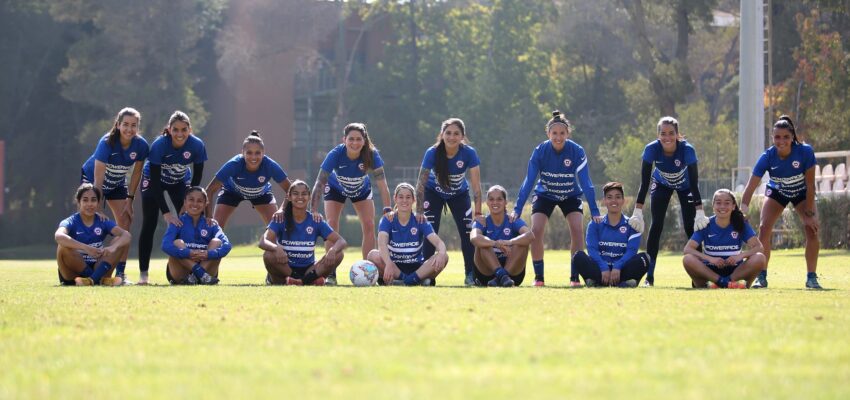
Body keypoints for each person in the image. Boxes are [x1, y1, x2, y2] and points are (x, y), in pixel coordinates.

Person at [511, 110, 601, 287]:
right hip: (545, 194)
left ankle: (574, 276)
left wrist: (595, 210)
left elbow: (586, 183)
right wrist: (517, 208)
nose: (558, 137)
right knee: (536, 230)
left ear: (568, 133)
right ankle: (539, 277)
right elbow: (529, 181)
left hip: (570, 194)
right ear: (548, 134)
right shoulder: (540, 151)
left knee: (577, 230)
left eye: (562, 133)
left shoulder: (577, 151)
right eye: (554, 133)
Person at [740, 115, 821, 289]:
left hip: (802, 193)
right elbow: (750, 186)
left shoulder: (805, 152)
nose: (781, 141)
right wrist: (743, 211)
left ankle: (812, 277)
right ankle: (761, 276)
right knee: (764, 227)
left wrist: (809, 214)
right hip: (778, 192)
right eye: (777, 137)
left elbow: (810, 185)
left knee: (811, 230)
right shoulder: (767, 156)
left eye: (785, 137)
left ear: (792, 137)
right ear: (772, 138)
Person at [628, 116, 708, 287]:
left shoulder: (687, 150)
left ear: (678, 135)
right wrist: (638, 211)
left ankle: (699, 277)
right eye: (663, 133)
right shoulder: (651, 149)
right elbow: (644, 182)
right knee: (656, 225)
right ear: (658, 135)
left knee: (690, 227)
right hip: (661, 183)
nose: (667, 137)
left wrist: (700, 211)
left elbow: (694, 183)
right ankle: (649, 277)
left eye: (671, 133)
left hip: (685, 186)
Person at [310, 123, 391, 285]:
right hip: (335, 189)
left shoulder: (371, 155)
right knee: (331, 225)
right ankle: (330, 273)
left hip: (361, 190)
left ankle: (369, 271)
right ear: (344, 140)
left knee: (369, 224)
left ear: (364, 140)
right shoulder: (335, 154)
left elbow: (383, 185)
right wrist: (312, 210)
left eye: (358, 139)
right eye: (351, 139)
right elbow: (319, 183)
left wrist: (388, 209)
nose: (355, 143)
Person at [138, 111, 207, 285]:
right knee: (149, 223)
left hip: (179, 181)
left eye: (184, 129)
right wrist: (166, 212)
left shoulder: (197, 145)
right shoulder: (159, 145)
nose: (180, 134)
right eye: (175, 129)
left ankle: (183, 270)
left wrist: (188, 201)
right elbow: (154, 182)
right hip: (154, 181)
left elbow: (196, 179)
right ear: (169, 130)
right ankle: (144, 274)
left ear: (189, 130)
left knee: (187, 222)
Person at [80, 107, 149, 282]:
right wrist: (96, 206)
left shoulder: (141, 145)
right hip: (93, 182)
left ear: (137, 128)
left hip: (117, 183)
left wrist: (130, 200)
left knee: (126, 221)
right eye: (125, 124)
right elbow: (99, 177)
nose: (129, 129)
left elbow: (136, 174)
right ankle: (85, 269)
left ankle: (120, 274)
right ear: (118, 125)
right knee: (90, 221)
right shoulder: (106, 143)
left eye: (134, 125)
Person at [413, 118, 482, 286]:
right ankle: (427, 275)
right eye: (448, 133)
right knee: (430, 232)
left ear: (462, 137)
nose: (452, 137)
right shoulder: (432, 152)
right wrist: (419, 210)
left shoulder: (469, 153)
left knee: (468, 234)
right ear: (442, 135)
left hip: (459, 194)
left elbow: (476, 186)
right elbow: (420, 184)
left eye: (456, 133)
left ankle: (470, 275)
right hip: (433, 193)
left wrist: (478, 213)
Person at [260, 180, 347, 285]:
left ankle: (302, 280)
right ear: (289, 197)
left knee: (338, 254)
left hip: (309, 269)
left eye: (304, 194)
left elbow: (341, 241)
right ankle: (300, 280)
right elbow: (263, 241)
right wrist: (276, 248)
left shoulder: (315, 220)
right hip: (285, 267)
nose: (300, 197)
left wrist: (333, 250)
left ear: (309, 197)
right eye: (295, 194)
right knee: (268, 255)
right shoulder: (280, 218)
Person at [367, 183, 449, 286]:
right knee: (372, 255)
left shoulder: (420, 219)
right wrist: (388, 263)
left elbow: (438, 242)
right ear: (395, 199)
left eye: (408, 197)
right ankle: (413, 280)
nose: (404, 200)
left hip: (417, 268)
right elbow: (382, 244)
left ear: (414, 200)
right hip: (394, 266)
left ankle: (408, 281)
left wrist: (441, 253)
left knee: (444, 257)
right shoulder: (387, 219)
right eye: (401, 197)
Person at [205, 130, 291, 228]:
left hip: (261, 194)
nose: (253, 157)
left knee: (277, 227)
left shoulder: (270, 165)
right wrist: (209, 216)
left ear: (263, 153)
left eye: (257, 153)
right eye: (249, 153)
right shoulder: (234, 164)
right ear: (242, 153)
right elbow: (209, 190)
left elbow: (290, 189)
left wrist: (282, 209)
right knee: (214, 228)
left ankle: (269, 242)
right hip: (232, 192)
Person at [682, 189, 766, 288]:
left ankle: (731, 281)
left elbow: (759, 247)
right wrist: (711, 259)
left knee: (760, 257)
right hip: (711, 269)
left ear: (733, 206)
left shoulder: (741, 223)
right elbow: (687, 249)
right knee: (687, 259)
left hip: (736, 269)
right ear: (713, 206)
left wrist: (740, 256)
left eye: (727, 203)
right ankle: (720, 282)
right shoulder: (705, 224)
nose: (722, 206)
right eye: (718, 203)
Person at [572, 182, 650, 287]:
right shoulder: (595, 224)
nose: (614, 201)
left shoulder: (632, 224)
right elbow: (592, 250)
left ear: (623, 200)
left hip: (621, 270)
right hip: (600, 270)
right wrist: (604, 267)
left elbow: (631, 251)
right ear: (604, 201)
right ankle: (596, 281)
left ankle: (625, 282)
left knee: (645, 258)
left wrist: (617, 266)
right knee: (578, 256)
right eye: (609, 197)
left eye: (618, 197)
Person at [54, 184, 132, 286]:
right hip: (74, 274)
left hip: (98, 266)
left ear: (98, 202)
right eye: (85, 200)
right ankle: (99, 279)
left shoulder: (102, 221)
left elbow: (126, 235)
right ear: (78, 202)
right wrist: (86, 248)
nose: (89, 204)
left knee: (120, 240)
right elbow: (58, 236)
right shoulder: (71, 221)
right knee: (62, 246)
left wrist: (113, 247)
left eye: (93, 200)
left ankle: (91, 280)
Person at [162, 187, 231, 285]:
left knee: (217, 242)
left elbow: (227, 245)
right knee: (177, 243)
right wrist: (188, 253)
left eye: (199, 201)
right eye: (191, 200)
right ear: (184, 202)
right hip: (181, 274)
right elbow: (165, 245)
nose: (195, 204)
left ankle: (198, 277)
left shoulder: (212, 224)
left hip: (208, 272)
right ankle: (200, 273)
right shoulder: (176, 223)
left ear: (205, 204)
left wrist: (208, 254)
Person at [470, 185, 534, 287]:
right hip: (487, 275)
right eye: (491, 199)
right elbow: (474, 238)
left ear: (505, 202)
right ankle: (502, 275)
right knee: (482, 242)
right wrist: (496, 243)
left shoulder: (513, 220)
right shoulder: (482, 221)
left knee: (522, 243)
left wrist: (509, 242)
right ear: (487, 202)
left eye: (499, 199)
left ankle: (502, 276)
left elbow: (530, 236)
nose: (495, 202)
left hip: (513, 275)